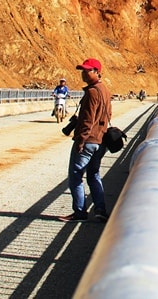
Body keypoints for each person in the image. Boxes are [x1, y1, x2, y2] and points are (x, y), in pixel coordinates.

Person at [59, 58, 113, 222]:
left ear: (97, 72)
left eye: (87, 70)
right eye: (83, 70)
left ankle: (80, 212)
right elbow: (108, 115)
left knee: (75, 177)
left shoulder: (92, 92)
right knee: (93, 175)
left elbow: (88, 120)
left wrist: (81, 140)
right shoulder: (104, 90)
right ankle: (100, 210)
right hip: (100, 141)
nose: (84, 73)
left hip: (88, 140)